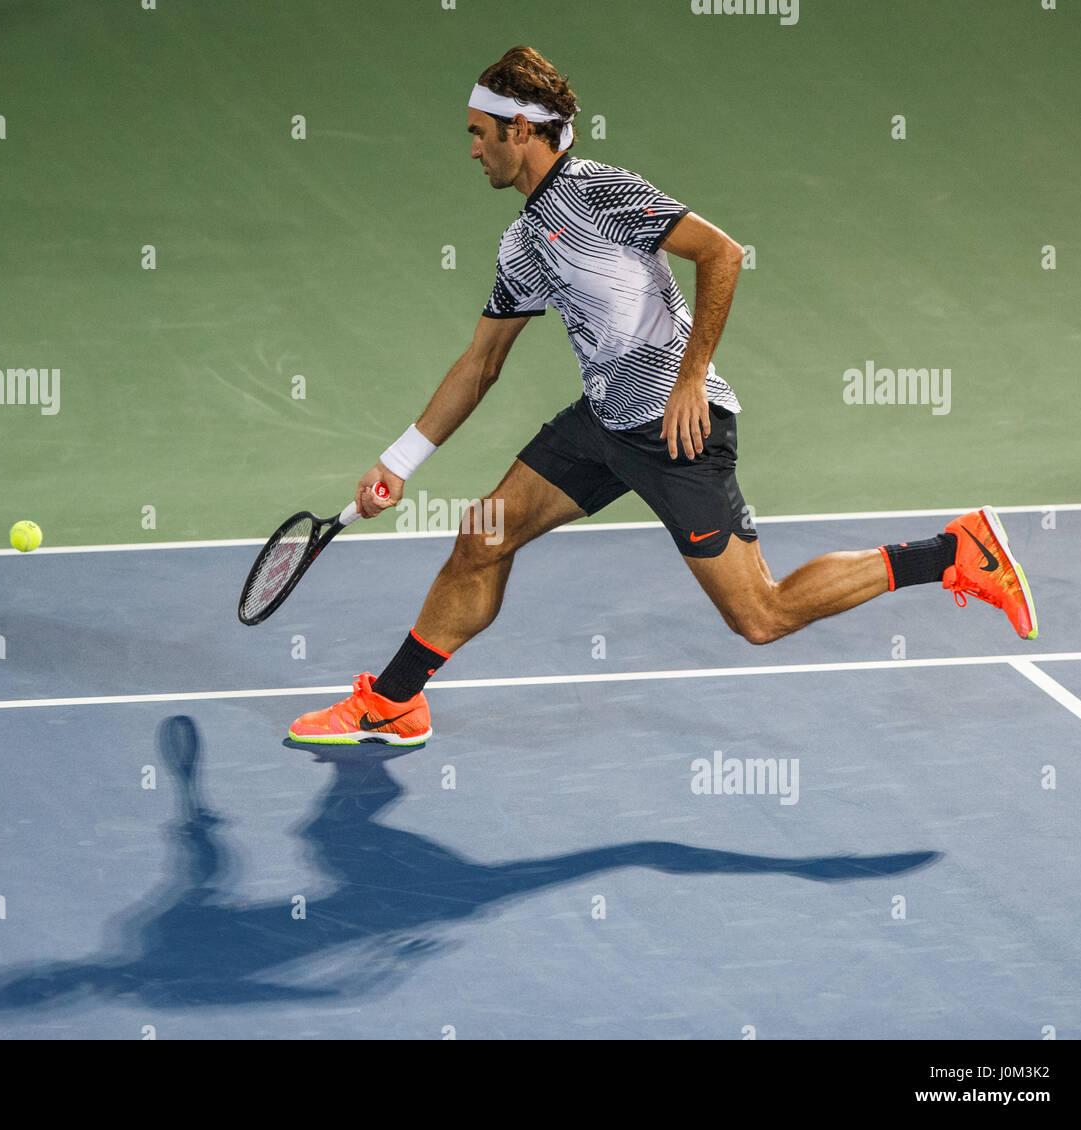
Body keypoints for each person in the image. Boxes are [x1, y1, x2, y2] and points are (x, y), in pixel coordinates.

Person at [288, 46, 1036, 747]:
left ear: (521, 129)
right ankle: (394, 701)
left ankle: (952, 551)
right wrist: (400, 460)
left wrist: (690, 374)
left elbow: (722, 252)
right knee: (481, 539)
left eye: (481, 133)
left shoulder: (600, 191)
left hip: (679, 431)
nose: (473, 148)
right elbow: (481, 362)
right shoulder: (521, 243)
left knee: (760, 615)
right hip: (605, 425)